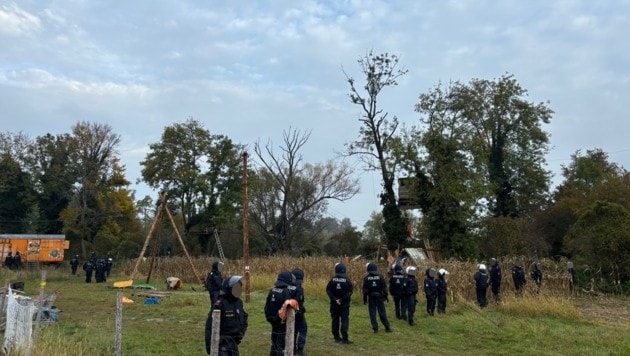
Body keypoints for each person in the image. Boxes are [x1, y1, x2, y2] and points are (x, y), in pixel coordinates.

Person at [205, 275, 248, 355]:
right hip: (222, 344)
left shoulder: (238, 302)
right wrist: (210, 347)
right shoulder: (220, 304)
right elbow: (210, 326)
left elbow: (244, 317)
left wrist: (241, 332)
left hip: (234, 343)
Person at [264, 271, 297, 356]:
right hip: (281, 322)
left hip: (272, 320)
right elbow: (286, 307)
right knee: (280, 345)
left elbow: (267, 306)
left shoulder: (272, 290)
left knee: (274, 342)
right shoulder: (285, 292)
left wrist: (270, 318)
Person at [326, 263, 353, 344]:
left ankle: (336, 337)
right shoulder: (347, 280)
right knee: (344, 320)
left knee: (335, 320)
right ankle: (345, 338)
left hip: (334, 304)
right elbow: (350, 291)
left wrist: (335, 299)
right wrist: (341, 300)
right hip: (344, 304)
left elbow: (328, 290)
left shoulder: (333, 279)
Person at [362, 262, 391, 333]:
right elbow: (384, 288)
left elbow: (365, 290)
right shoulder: (380, 277)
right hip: (380, 297)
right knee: (382, 313)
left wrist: (365, 299)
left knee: (372, 313)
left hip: (371, 297)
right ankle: (387, 327)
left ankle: (375, 328)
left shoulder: (366, 278)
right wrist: (385, 296)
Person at [289, 268, 307, 355]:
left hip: (288, 312)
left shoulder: (287, 285)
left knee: (293, 329)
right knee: (303, 328)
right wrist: (301, 310)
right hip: (297, 313)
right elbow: (298, 302)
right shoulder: (299, 288)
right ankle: (300, 348)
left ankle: (292, 348)